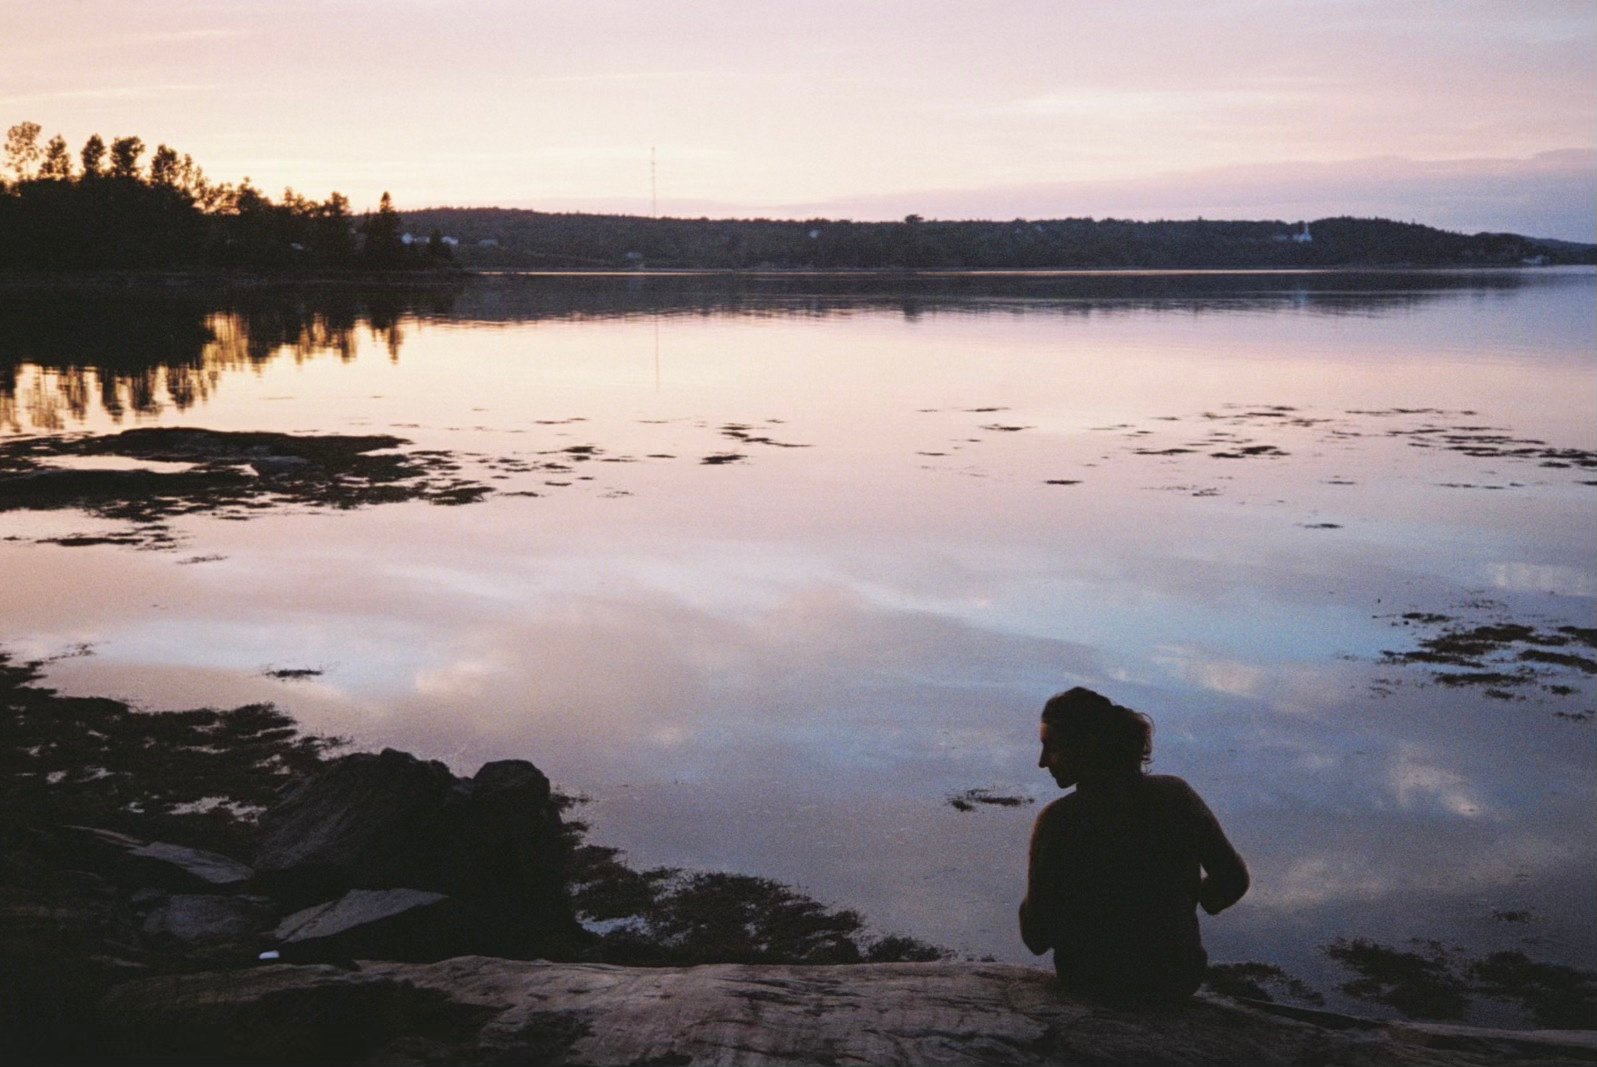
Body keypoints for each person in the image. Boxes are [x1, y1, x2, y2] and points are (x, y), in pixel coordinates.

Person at [1019, 687, 1248, 1004]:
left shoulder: (1058, 820)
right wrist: (1189, 899)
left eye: (1051, 748)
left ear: (1087, 748)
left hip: (1091, 982)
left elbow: (1036, 937)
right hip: (1178, 979)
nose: (1042, 762)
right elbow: (1233, 881)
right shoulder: (1178, 795)